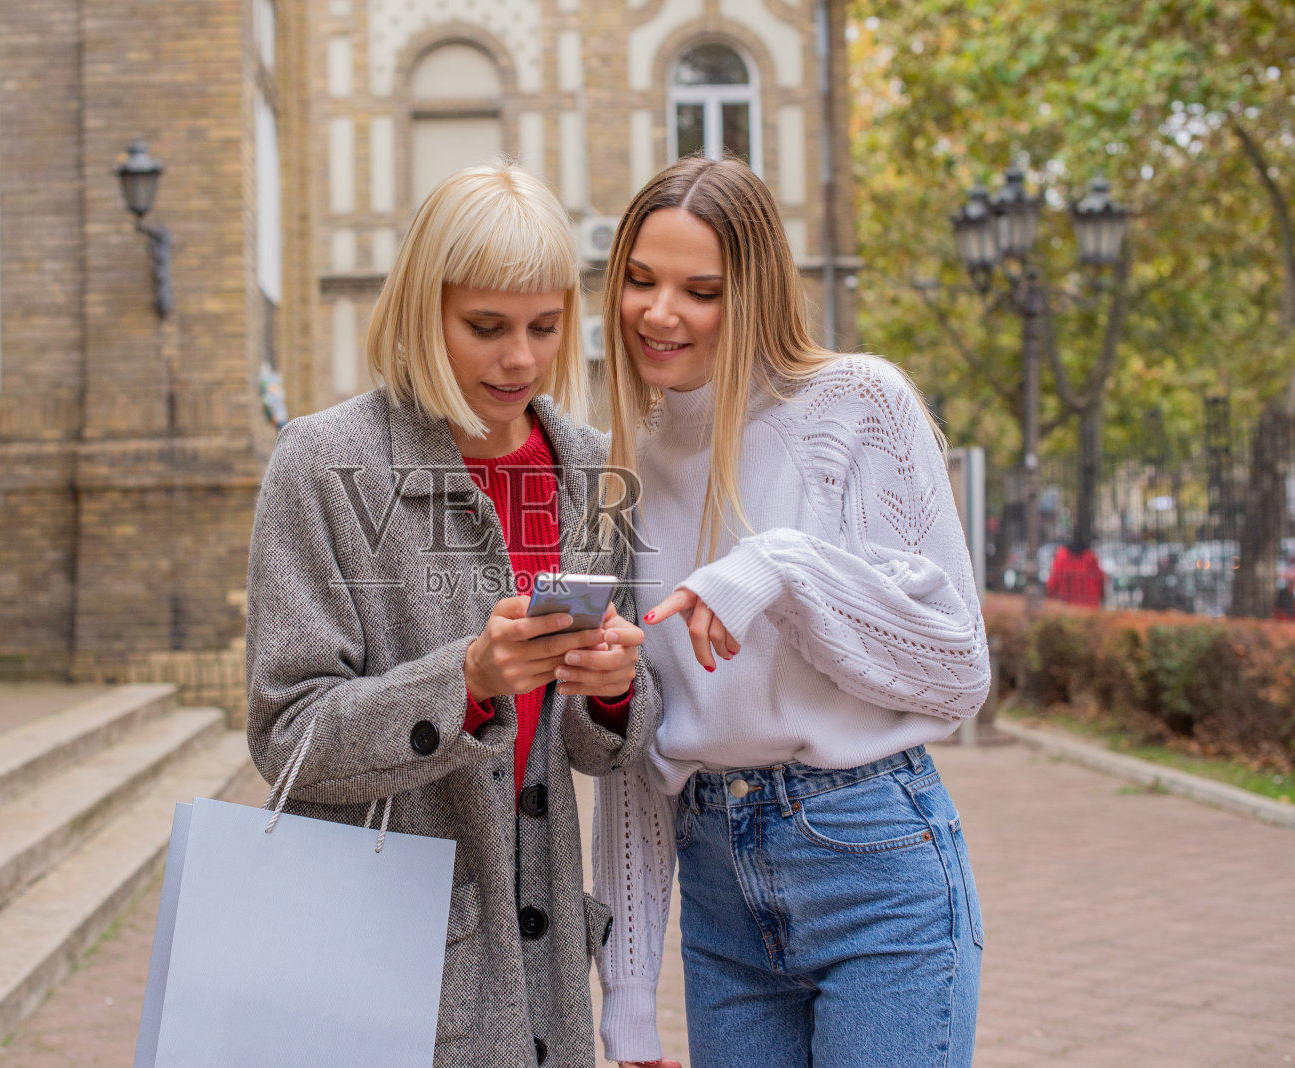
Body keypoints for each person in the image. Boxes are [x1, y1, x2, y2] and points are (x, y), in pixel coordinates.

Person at [245, 162, 660, 1068]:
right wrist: (466, 685)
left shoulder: (595, 470)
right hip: (383, 960)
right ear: (422, 312)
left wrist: (617, 690)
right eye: (486, 327)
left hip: (546, 977)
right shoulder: (322, 462)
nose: (520, 358)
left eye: (545, 327)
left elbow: (602, 748)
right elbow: (287, 735)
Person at [591, 157, 993, 1068]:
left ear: (758, 291)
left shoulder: (857, 406)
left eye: (702, 290)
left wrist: (779, 567)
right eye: (641, 281)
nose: (661, 314)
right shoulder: (627, 464)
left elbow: (957, 667)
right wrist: (626, 1000)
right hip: (716, 885)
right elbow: (640, 756)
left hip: (872, 861)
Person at [1046, 536, 1106, 606]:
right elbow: (1100, 579)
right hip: (1089, 606)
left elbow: (1052, 583)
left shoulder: (1061, 558)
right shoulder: (1091, 558)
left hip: (1066, 605)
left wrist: (1050, 597)